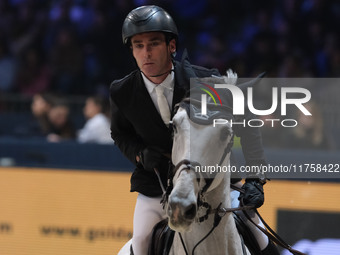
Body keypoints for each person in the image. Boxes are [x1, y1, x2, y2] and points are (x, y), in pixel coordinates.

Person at [110, 5, 279, 255]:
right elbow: (120, 134)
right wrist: (139, 154)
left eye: (153, 43)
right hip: (157, 187)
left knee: (259, 235)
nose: (146, 53)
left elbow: (248, 123)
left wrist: (256, 178)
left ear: (172, 46)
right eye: (138, 46)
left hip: (214, 186)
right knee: (142, 240)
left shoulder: (206, 82)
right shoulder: (121, 91)